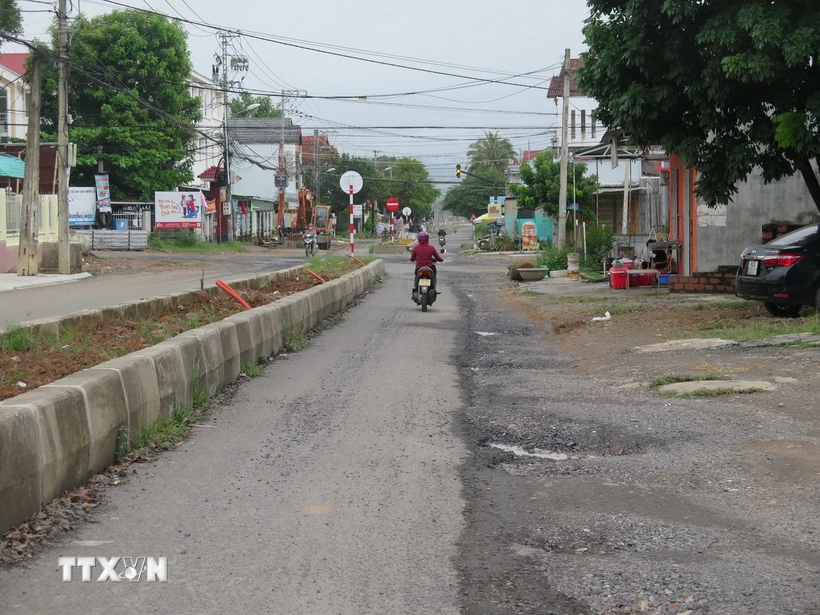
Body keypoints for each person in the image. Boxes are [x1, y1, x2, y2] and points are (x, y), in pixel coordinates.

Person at [409, 231, 443, 295]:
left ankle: (415, 287)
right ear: (427, 238)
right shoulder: (431, 247)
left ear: (419, 239)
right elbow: (438, 258)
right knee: (434, 276)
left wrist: (411, 259)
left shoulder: (416, 248)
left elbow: (412, 258)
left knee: (416, 277)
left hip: (419, 268)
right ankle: (434, 288)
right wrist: (441, 260)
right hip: (429, 267)